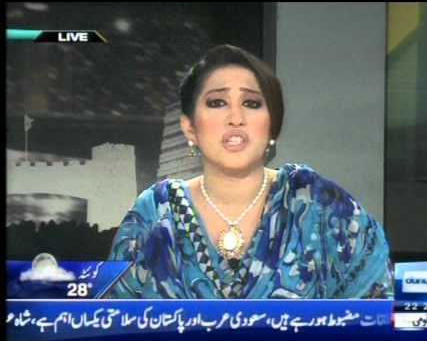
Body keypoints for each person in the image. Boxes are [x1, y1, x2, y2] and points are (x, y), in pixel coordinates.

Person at [107, 44, 393, 299]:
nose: (236, 118)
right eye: (217, 102)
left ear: (273, 124)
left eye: (251, 103)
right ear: (189, 127)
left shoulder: (320, 207)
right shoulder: (154, 214)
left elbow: (380, 315)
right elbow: (108, 327)